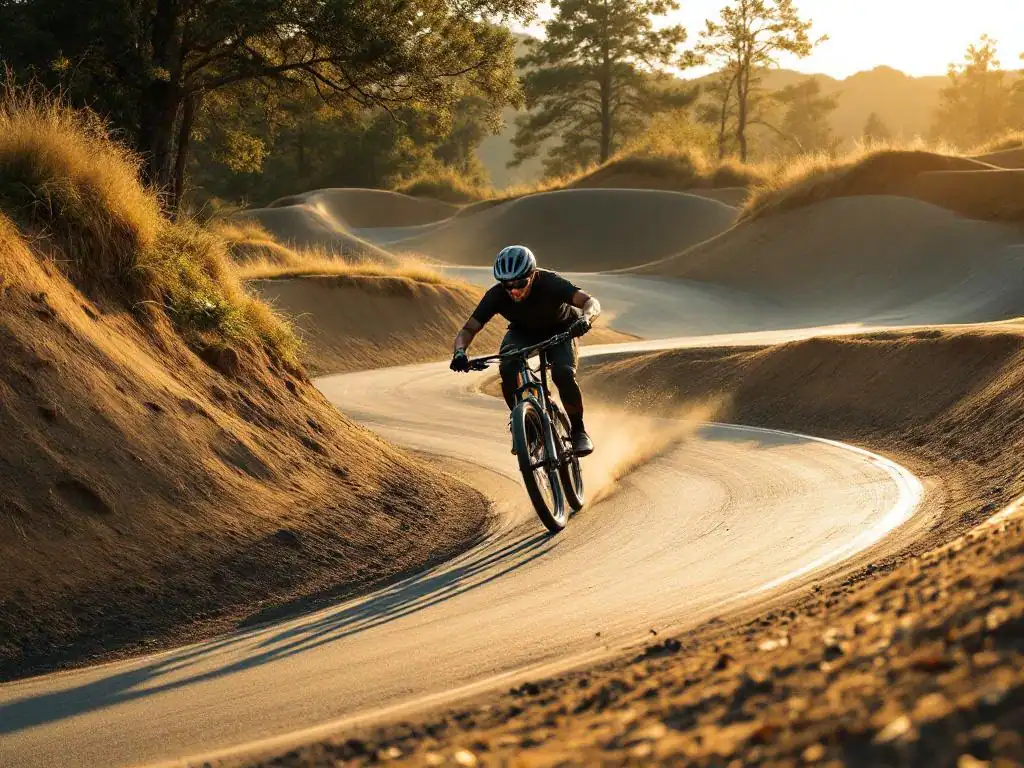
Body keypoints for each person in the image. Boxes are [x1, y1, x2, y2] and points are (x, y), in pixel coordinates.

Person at [449, 245, 601, 456]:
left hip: (562, 330)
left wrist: (586, 319)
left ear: (533, 274)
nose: (514, 290)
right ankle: (524, 424)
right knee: (507, 367)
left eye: (520, 283)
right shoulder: (496, 295)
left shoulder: (550, 282)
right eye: (507, 285)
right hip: (523, 332)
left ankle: (578, 431)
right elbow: (468, 329)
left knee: (563, 373)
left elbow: (590, 302)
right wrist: (460, 352)